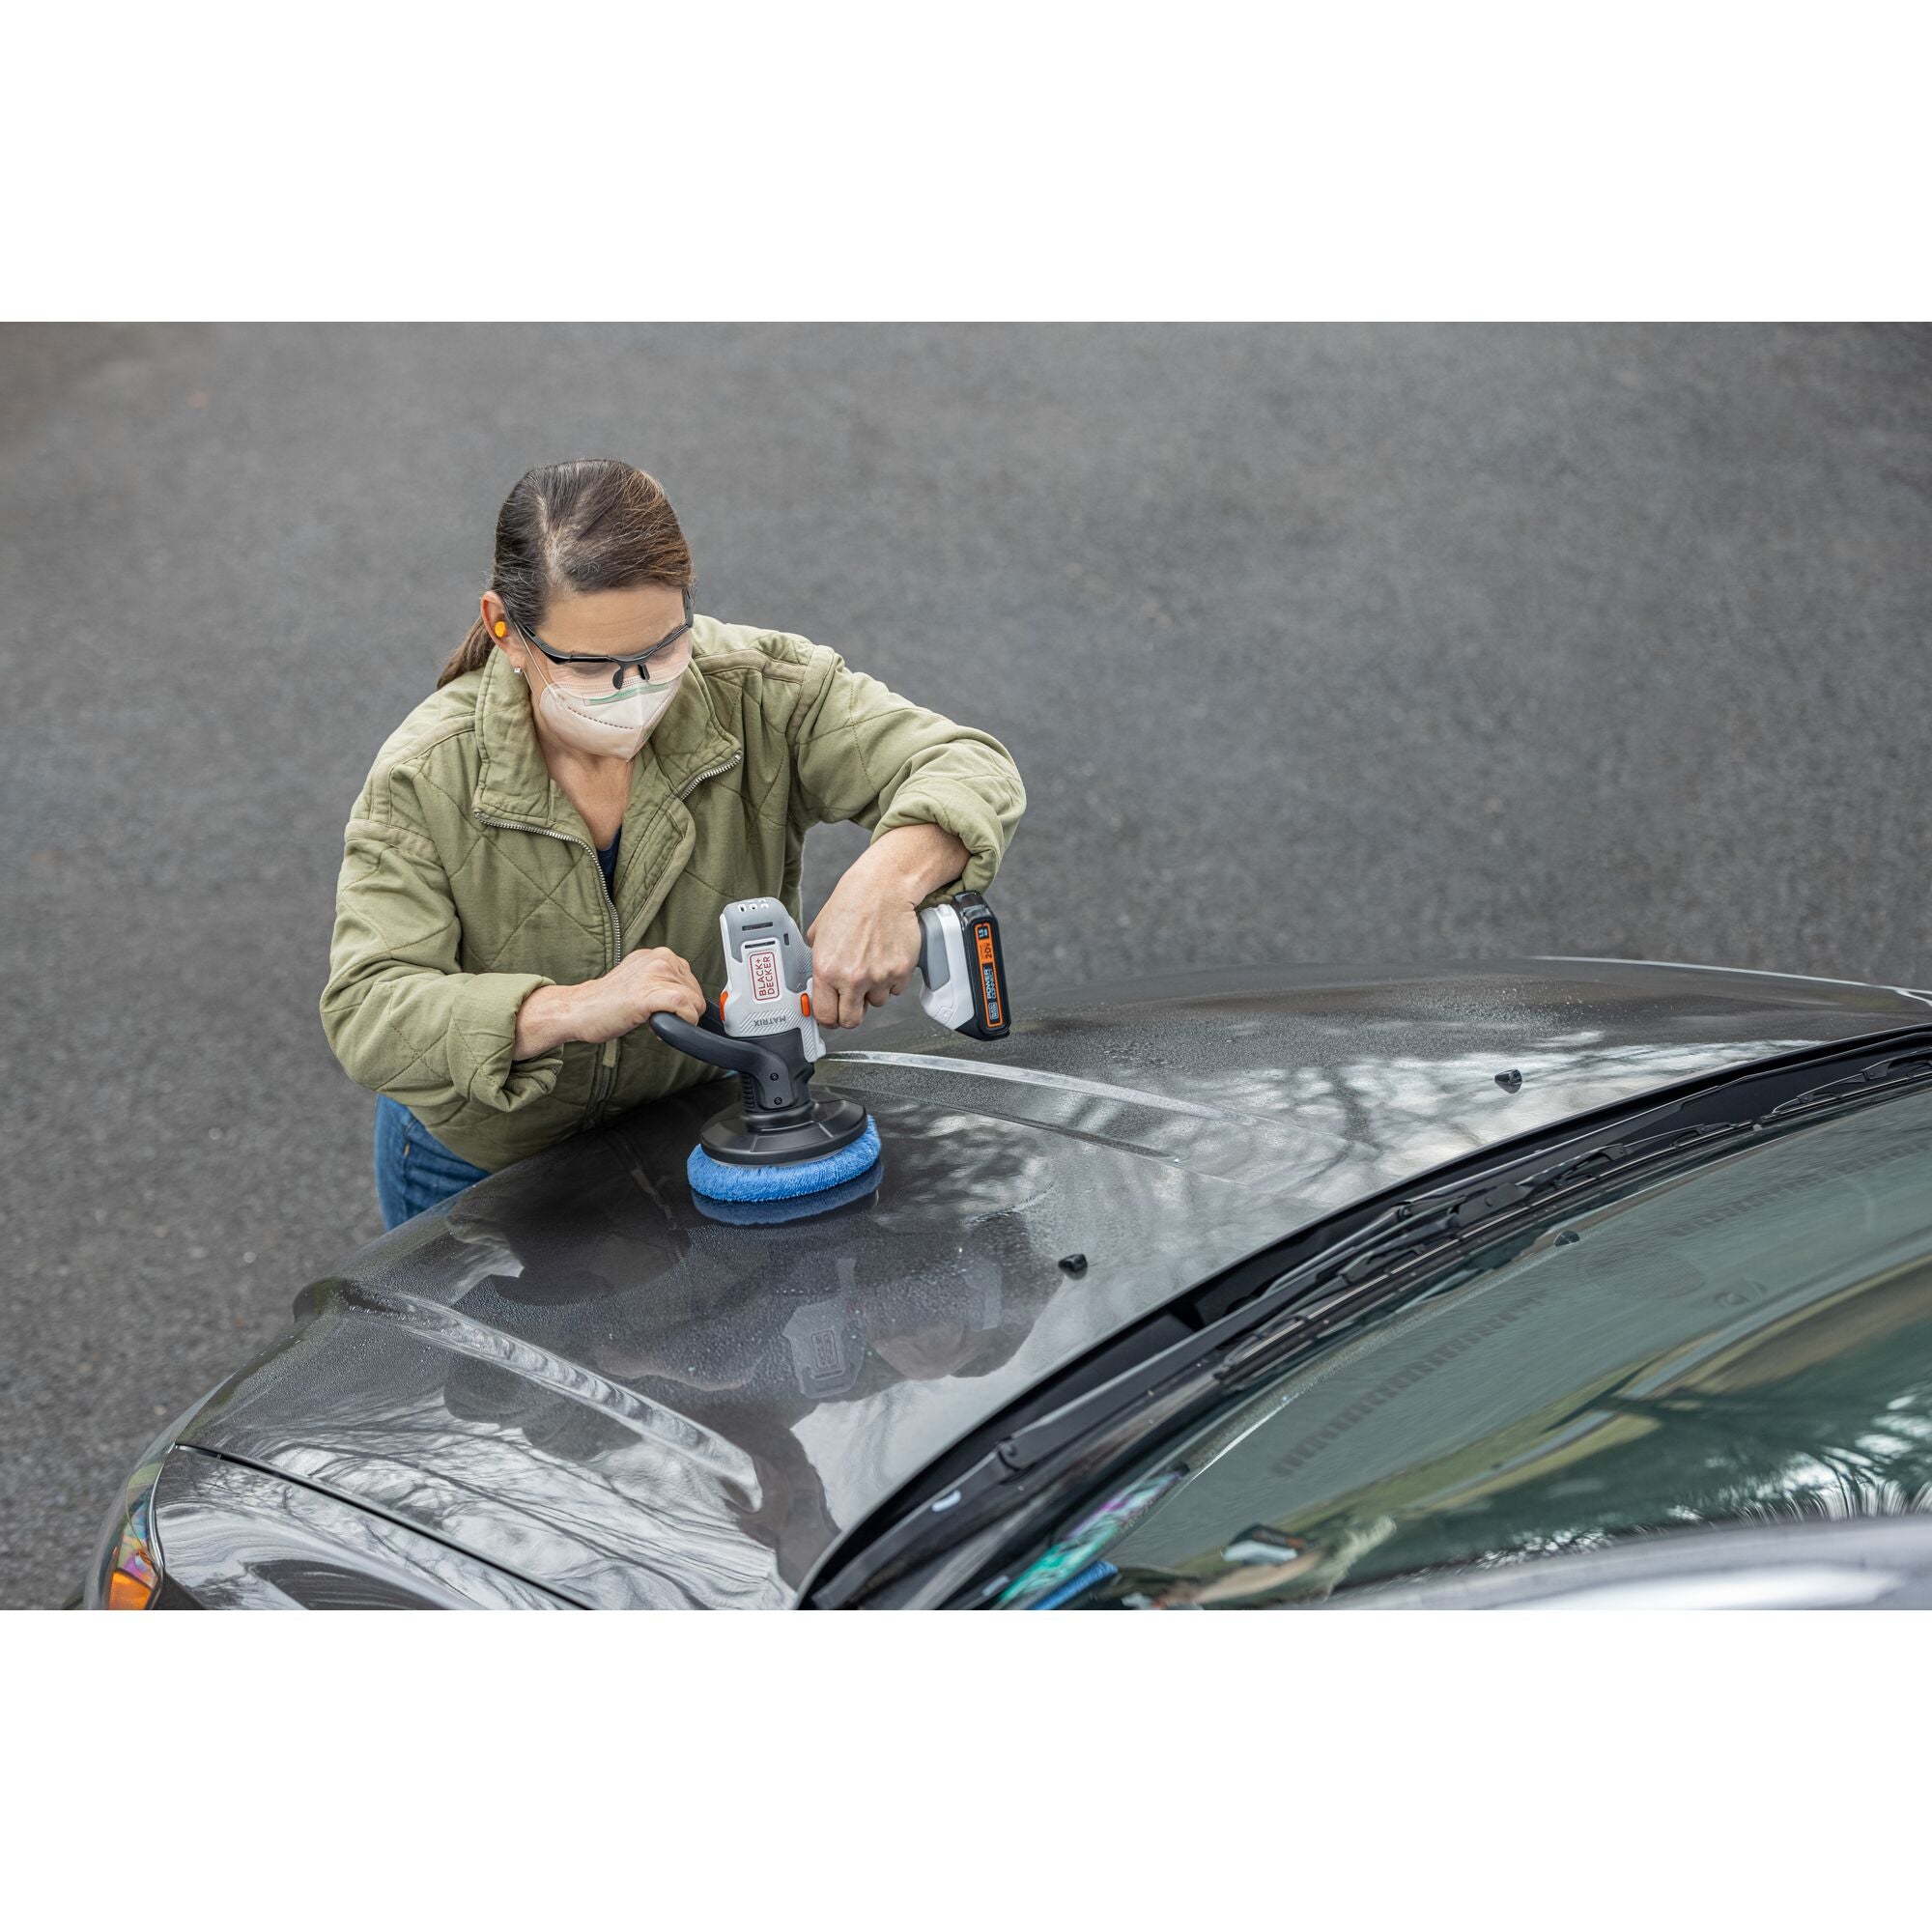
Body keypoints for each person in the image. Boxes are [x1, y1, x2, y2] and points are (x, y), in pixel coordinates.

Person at [322, 459, 1026, 1229]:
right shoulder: (424, 775)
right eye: (591, 667)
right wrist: (570, 1008)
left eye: (660, 652)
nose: (637, 692)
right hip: (485, 1162)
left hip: (697, 1124)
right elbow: (369, 1006)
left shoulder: (761, 689)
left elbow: (967, 765)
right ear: (505, 629)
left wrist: (885, 885)